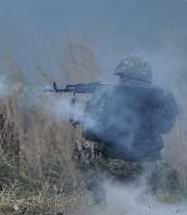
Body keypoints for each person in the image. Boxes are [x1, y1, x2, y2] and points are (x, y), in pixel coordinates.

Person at [74, 56, 178, 203]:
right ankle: (146, 196)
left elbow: (90, 133)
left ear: (126, 76)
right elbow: (166, 127)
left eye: (121, 77)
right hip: (151, 167)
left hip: (116, 164)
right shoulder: (162, 96)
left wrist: (89, 109)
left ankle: (100, 197)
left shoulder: (109, 95)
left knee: (82, 148)